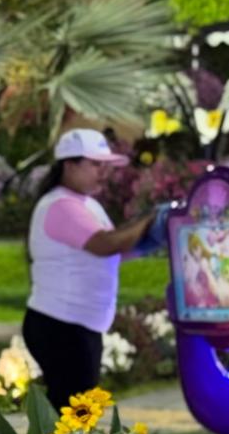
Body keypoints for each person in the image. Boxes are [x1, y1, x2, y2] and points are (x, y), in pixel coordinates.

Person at [24, 128, 157, 410]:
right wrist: (148, 220)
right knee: (73, 412)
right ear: (69, 165)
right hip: (61, 324)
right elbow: (105, 245)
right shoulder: (61, 206)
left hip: (76, 325)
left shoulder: (85, 205)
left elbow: (115, 251)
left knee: (74, 411)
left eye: (105, 166)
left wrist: (150, 241)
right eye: (96, 164)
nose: (103, 173)